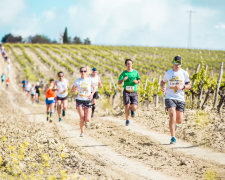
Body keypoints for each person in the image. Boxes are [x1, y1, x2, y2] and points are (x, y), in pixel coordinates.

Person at [161, 56, 191, 144]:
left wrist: (182, 87)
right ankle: (173, 137)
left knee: (179, 120)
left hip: (180, 98)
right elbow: (163, 82)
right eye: (176, 62)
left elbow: (189, 85)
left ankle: (175, 125)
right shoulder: (168, 73)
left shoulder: (184, 73)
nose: (178, 65)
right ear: (173, 62)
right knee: (172, 114)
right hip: (170, 97)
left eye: (179, 63)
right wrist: (162, 86)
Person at [71, 67, 96, 137]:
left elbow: (94, 88)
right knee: (82, 117)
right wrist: (74, 91)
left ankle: (87, 122)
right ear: (80, 72)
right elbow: (72, 91)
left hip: (87, 100)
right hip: (79, 100)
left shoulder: (89, 80)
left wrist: (92, 94)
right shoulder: (77, 81)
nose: (83, 72)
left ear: (86, 72)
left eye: (84, 71)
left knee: (87, 119)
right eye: (81, 71)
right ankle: (82, 132)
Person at [118, 59, 141, 126]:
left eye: (130, 63)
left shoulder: (135, 72)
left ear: (132, 64)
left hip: (134, 92)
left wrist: (137, 82)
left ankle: (132, 110)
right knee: (127, 106)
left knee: (134, 107)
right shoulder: (124, 73)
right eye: (128, 64)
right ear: (126, 65)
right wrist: (123, 80)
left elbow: (139, 79)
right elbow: (119, 82)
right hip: (126, 92)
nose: (129, 65)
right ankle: (127, 120)